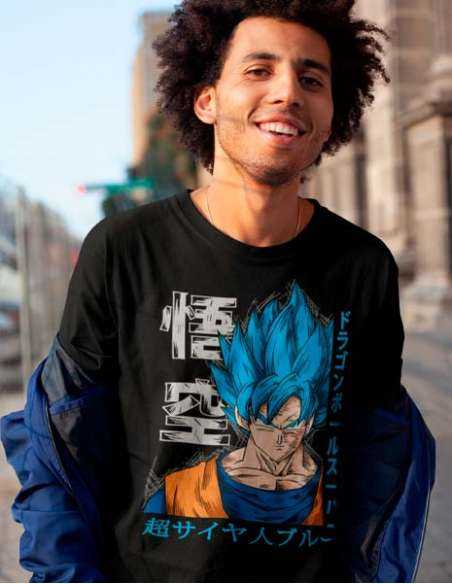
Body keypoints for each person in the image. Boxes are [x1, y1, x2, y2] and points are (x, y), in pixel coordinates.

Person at [1, 1, 435, 582]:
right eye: (259, 70)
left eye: (311, 79)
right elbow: (60, 440)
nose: (288, 91)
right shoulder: (125, 249)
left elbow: (378, 455)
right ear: (206, 100)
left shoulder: (363, 265)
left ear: (333, 113)